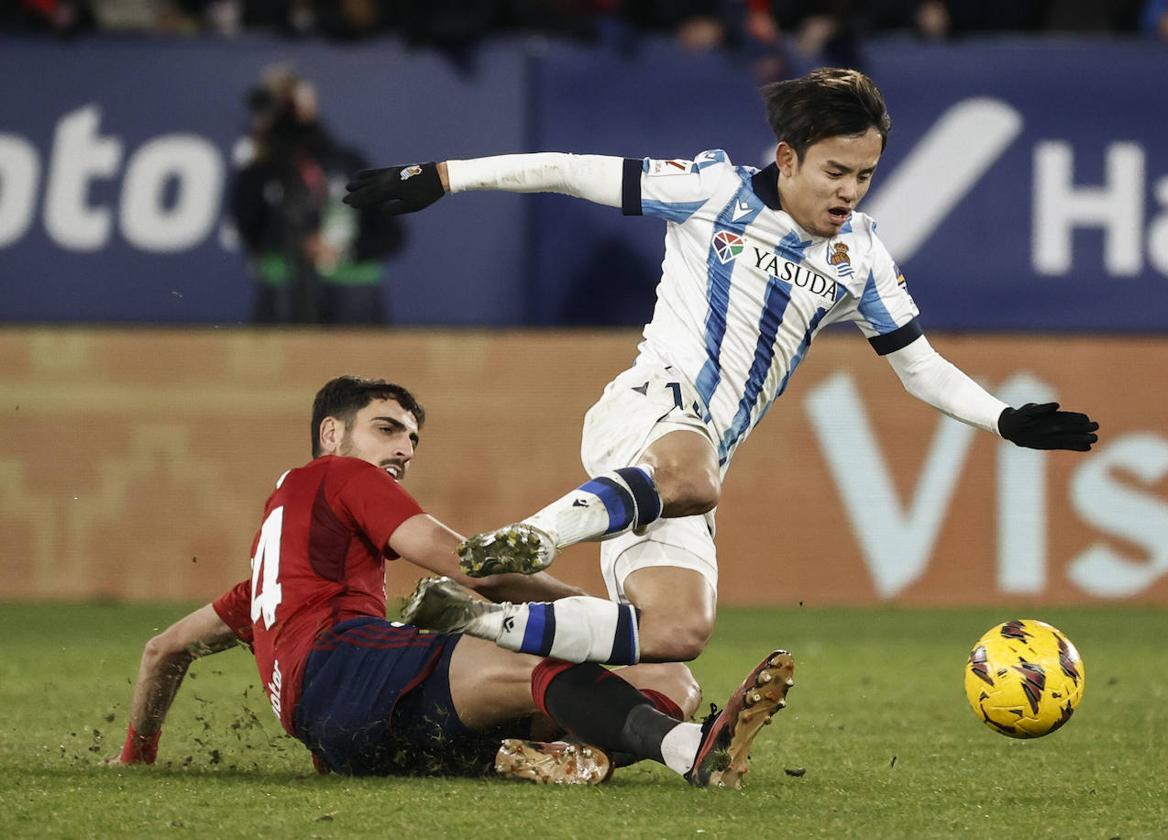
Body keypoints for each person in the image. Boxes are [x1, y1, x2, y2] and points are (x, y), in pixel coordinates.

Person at [343, 68, 1100, 669]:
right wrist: (443, 176)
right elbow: (569, 170)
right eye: (837, 171)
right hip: (649, 409)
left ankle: (471, 614)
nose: (850, 191)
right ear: (788, 156)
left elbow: (919, 366)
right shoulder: (709, 190)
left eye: (865, 175)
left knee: (677, 632)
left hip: (686, 467)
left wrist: (1003, 417)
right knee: (692, 475)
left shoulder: (861, 254)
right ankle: (528, 540)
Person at [110, 375, 794, 788]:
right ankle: (688, 751)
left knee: (668, 683)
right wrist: (600, 616)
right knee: (531, 653)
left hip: (354, 738)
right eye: (386, 429)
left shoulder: (268, 584)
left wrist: (138, 754)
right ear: (330, 434)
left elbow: (163, 650)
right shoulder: (338, 476)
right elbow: (472, 566)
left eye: (411, 439)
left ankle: (520, 756)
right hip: (348, 673)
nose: (403, 450)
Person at [232, 67, 405, 325]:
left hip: (351, 284)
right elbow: (248, 226)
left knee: (353, 363)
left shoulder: (347, 162)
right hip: (285, 283)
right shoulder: (262, 168)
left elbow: (391, 233)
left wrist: (344, 251)